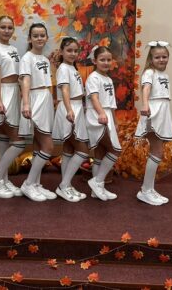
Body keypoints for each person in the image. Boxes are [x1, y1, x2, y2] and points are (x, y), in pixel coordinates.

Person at [0, 16, 25, 198]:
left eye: (10, 27)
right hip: (4, 93)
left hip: (14, 92)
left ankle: (4, 180)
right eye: (3, 27)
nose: (7, 30)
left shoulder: (14, 49)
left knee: (4, 138)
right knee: (18, 142)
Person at [17, 23, 58, 202]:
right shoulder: (27, 58)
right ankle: (28, 183)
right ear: (29, 39)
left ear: (46, 38)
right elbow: (25, 81)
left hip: (45, 97)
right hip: (35, 99)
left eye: (42, 35)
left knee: (38, 144)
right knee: (48, 146)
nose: (39, 38)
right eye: (35, 35)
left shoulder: (44, 59)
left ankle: (35, 184)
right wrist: (26, 103)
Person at [134, 41, 172, 206]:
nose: (161, 59)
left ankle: (148, 188)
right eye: (157, 57)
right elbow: (146, 89)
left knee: (157, 151)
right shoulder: (149, 72)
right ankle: (145, 190)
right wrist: (145, 105)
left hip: (162, 114)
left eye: (164, 56)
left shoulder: (165, 75)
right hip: (153, 113)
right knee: (157, 151)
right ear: (151, 58)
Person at [51, 37, 89, 202]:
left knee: (68, 149)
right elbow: (65, 90)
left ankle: (66, 185)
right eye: (69, 50)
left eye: (75, 51)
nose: (73, 53)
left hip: (76, 107)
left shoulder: (72, 68)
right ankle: (63, 185)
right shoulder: (63, 69)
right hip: (70, 108)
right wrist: (69, 109)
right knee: (82, 150)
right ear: (61, 52)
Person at [85, 46, 123, 201]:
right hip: (97, 116)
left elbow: (111, 104)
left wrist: (115, 121)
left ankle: (97, 190)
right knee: (114, 150)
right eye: (102, 60)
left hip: (107, 116)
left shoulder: (108, 79)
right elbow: (94, 98)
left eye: (108, 60)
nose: (106, 62)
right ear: (95, 61)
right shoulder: (93, 78)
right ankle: (97, 181)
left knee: (100, 154)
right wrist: (101, 113)